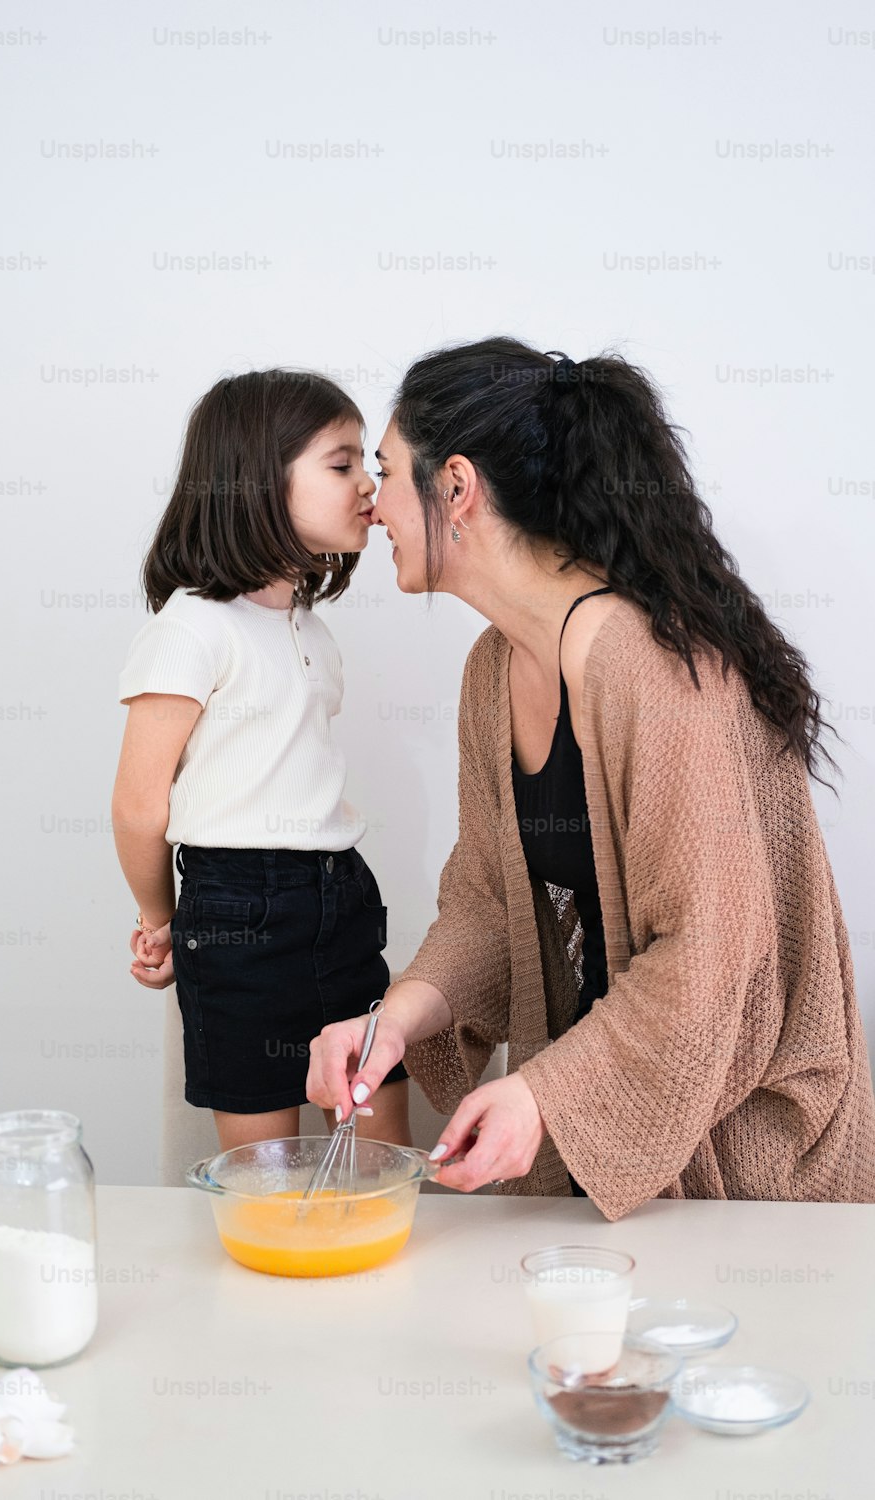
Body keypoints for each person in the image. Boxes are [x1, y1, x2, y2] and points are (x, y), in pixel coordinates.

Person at [305, 335, 875, 1221]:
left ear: (456, 488)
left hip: (738, 1154)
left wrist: (541, 1096)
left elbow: (711, 953)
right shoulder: (492, 672)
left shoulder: (648, 664)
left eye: (386, 472)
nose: (374, 508)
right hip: (613, 1135)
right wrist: (392, 1024)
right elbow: (491, 907)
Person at [111, 369, 410, 1153]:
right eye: (341, 465)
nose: (367, 487)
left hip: (340, 895)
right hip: (238, 905)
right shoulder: (192, 628)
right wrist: (159, 918)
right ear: (257, 481)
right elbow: (140, 805)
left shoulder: (310, 630)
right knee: (264, 1171)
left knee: (379, 1148)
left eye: (367, 467)